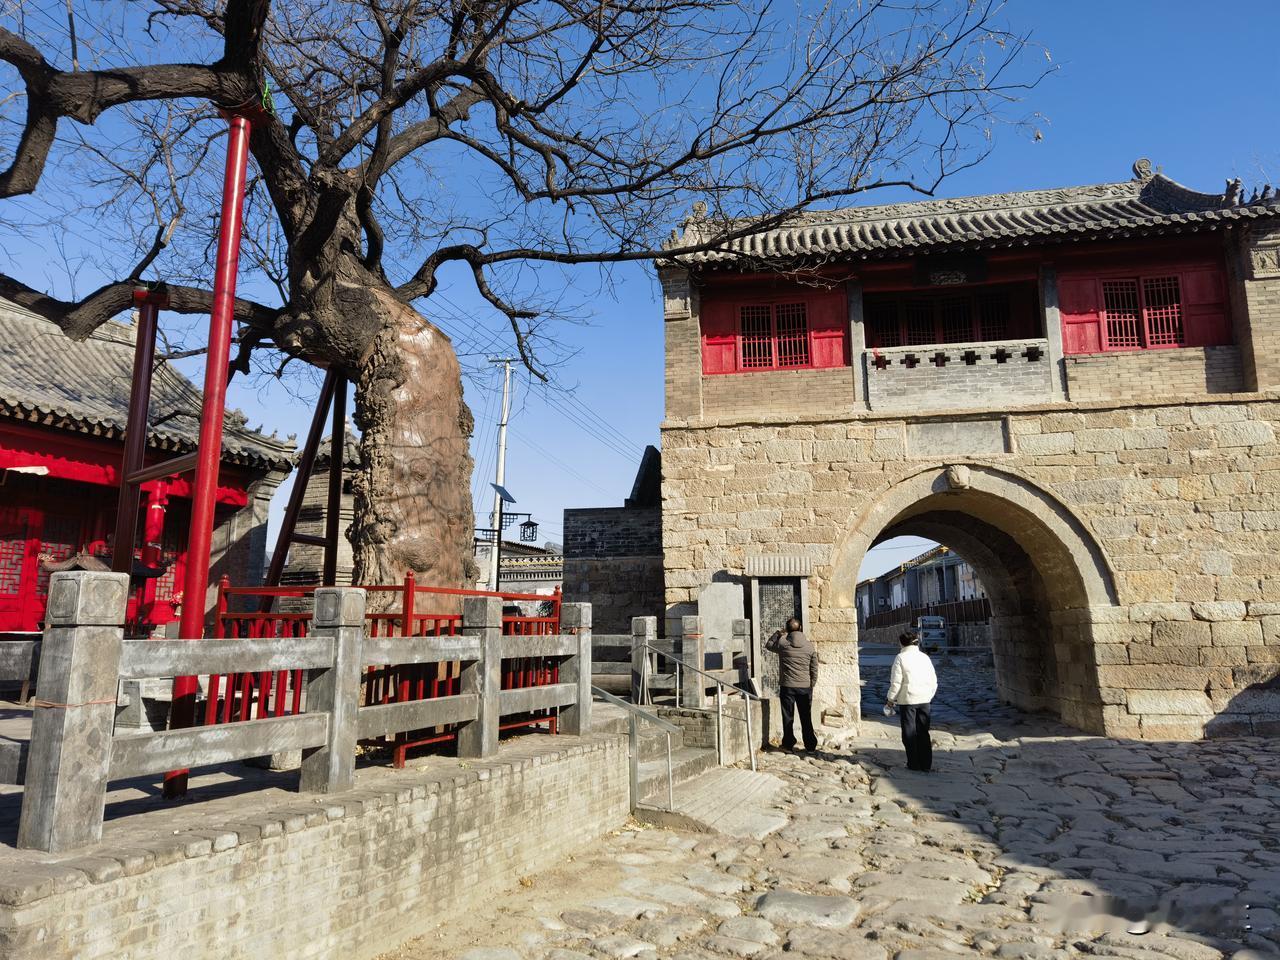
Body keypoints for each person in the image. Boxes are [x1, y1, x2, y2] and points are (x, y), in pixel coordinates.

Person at [886, 630, 938, 772]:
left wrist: (891, 699)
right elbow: (933, 679)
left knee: (909, 733)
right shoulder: (925, 657)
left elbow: (896, 682)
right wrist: (929, 695)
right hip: (924, 700)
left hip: (908, 700)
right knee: (923, 732)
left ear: (901, 643)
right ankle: (926, 764)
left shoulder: (900, 658)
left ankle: (913, 763)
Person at [766, 618, 818, 753]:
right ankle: (810, 746)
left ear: (787, 629)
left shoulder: (783, 644)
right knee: (806, 717)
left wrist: (778, 633)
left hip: (787, 686)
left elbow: (769, 645)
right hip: (805, 687)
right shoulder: (809, 646)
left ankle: (788, 745)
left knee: (788, 716)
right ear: (800, 628)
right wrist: (811, 684)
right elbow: (814, 668)